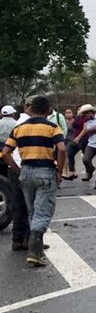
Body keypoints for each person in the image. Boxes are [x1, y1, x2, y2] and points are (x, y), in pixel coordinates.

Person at [1, 95, 67, 267]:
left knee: (32, 212)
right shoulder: (53, 127)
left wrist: (18, 169)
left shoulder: (19, 128)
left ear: (31, 108)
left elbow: (6, 153)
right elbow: (61, 149)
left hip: (26, 172)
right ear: (48, 110)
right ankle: (34, 252)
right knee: (43, 213)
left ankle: (34, 248)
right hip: (45, 171)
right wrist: (59, 170)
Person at [0, 104, 31, 252]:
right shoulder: (27, 124)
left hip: (12, 165)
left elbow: (6, 151)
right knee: (31, 206)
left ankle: (17, 240)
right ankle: (29, 240)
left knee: (18, 204)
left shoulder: (17, 124)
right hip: (25, 166)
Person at [76, 104, 96, 190]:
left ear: (90, 112)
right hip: (91, 144)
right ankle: (90, 170)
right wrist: (79, 137)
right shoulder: (87, 122)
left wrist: (89, 130)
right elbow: (85, 130)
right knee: (85, 159)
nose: (85, 117)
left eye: (85, 114)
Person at [63, 108, 81, 181]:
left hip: (74, 141)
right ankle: (71, 171)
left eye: (69, 112)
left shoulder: (75, 122)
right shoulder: (64, 122)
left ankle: (69, 171)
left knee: (69, 155)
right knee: (69, 155)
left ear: (72, 114)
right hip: (66, 141)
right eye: (66, 113)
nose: (68, 114)